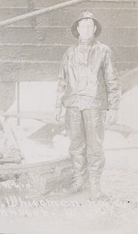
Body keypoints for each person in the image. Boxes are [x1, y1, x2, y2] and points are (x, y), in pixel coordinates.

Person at [55, 11, 121, 200]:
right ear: (77, 29)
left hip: (94, 104)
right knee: (76, 145)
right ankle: (79, 180)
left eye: (89, 26)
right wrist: (57, 106)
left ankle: (94, 186)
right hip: (73, 105)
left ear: (94, 29)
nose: (85, 29)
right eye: (82, 25)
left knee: (95, 146)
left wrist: (113, 107)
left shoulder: (104, 51)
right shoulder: (69, 53)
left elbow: (112, 80)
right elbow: (62, 80)